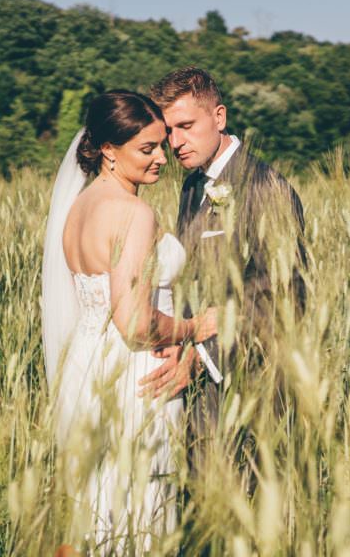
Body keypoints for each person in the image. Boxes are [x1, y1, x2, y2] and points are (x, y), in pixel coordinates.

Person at [40, 90, 218, 552]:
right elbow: (135, 324)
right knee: (138, 510)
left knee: (93, 508)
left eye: (161, 144)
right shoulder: (134, 213)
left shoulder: (79, 208)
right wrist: (195, 327)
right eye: (147, 149)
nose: (163, 157)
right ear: (107, 150)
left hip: (85, 370)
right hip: (133, 376)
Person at [139, 67, 306, 469]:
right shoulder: (192, 185)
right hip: (196, 395)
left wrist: (201, 358)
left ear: (219, 117)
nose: (176, 143)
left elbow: (284, 299)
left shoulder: (265, 188)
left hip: (250, 391)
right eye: (169, 131)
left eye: (186, 126)